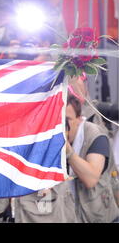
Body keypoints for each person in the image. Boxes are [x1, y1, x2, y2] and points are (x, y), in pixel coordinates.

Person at [65, 94, 119, 222]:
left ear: (79, 119)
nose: (64, 126)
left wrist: (68, 151)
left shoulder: (94, 135)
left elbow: (91, 178)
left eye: (67, 119)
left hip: (101, 218)